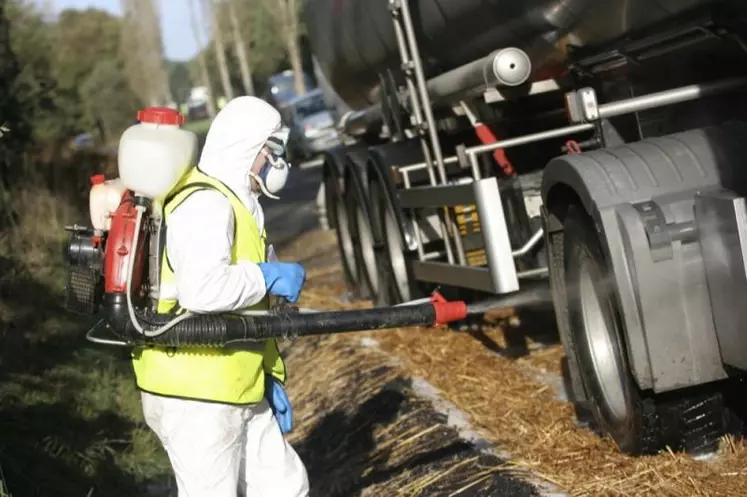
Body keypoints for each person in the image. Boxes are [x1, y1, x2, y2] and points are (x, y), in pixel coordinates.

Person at [130, 96, 310, 497]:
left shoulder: (237, 203)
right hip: (194, 394)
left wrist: (267, 375)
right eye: (271, 151)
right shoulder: (205, 204)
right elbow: (204, 289)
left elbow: (247, 307)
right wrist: (264, 276)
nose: (277, 163)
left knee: (285, 487)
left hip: (232, 381)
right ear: (245, 148)